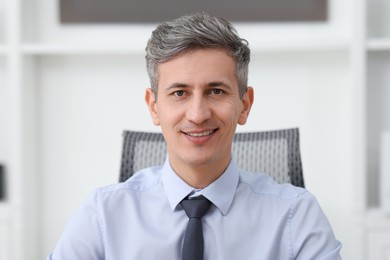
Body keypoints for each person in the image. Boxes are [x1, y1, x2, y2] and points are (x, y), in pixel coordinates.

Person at [48, 12, 342, 259]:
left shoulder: (296, 216)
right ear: (154, 107)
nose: (198, 114)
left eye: (216, 91)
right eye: (179, 93)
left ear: (245, 105)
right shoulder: (102, 215)